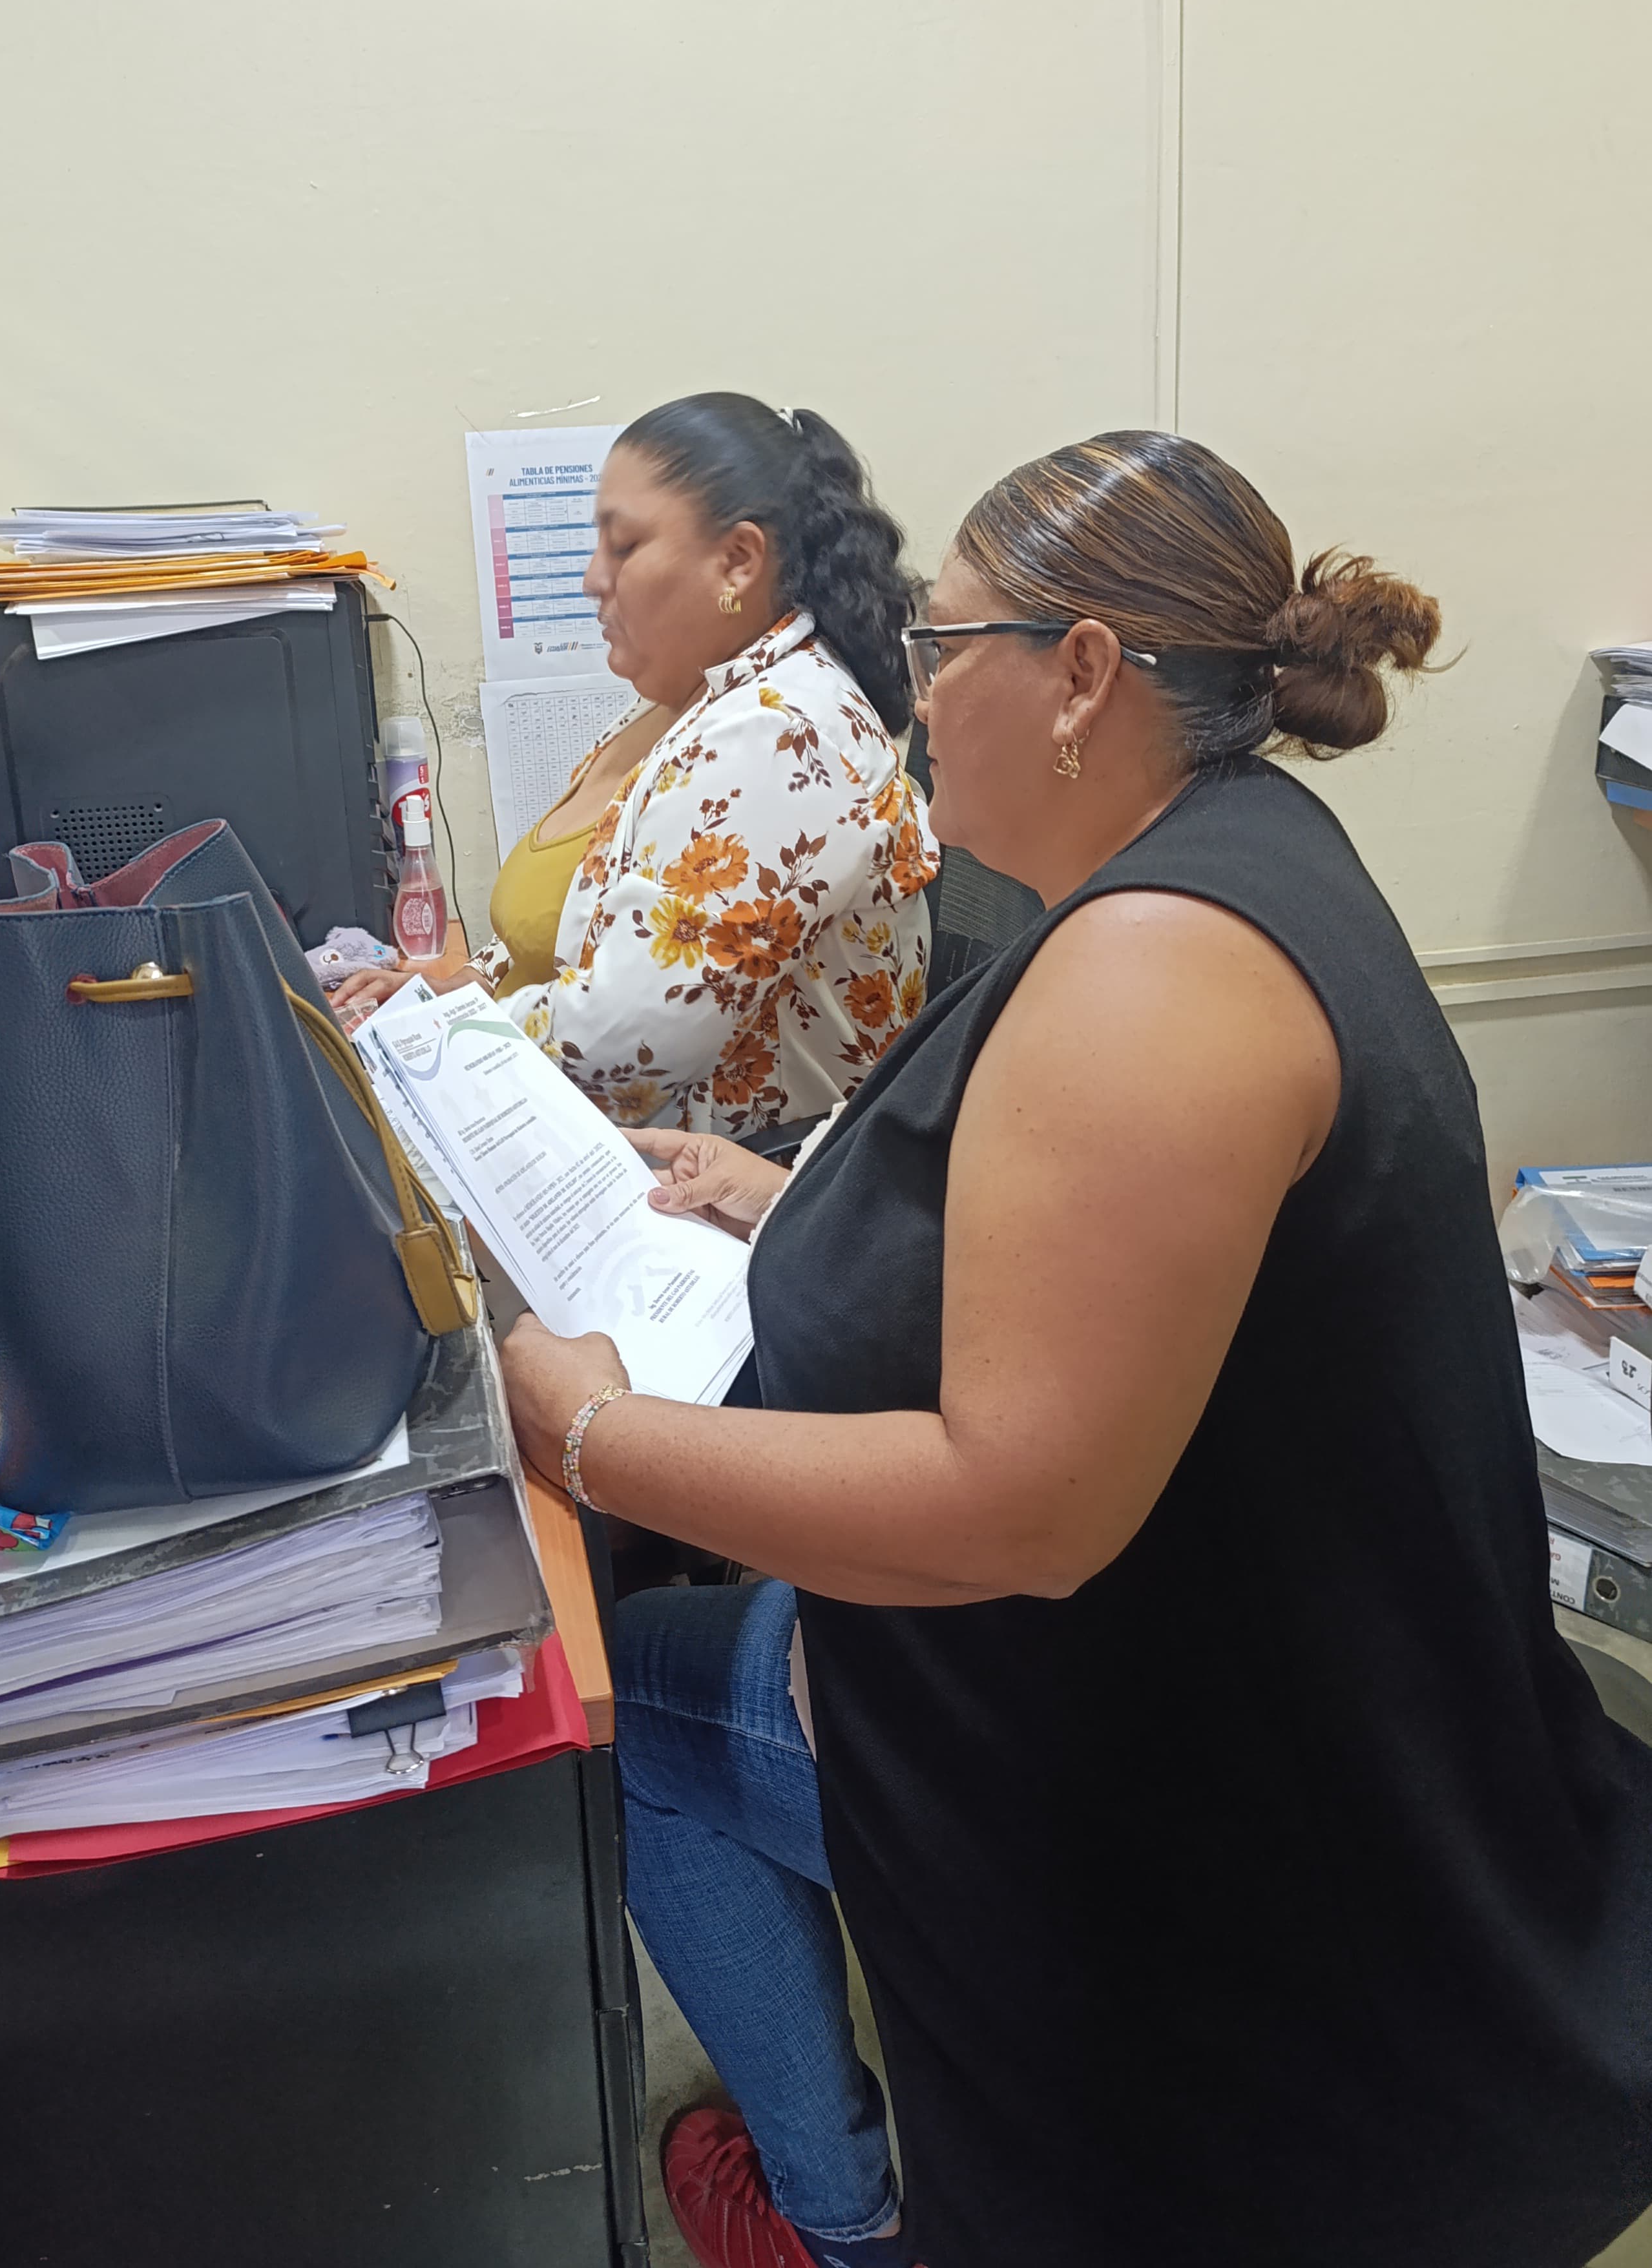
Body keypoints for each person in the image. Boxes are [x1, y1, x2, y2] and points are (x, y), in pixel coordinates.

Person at [500, 431, 1652, 2268]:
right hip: (1245, 1692)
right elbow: (1069, 1242)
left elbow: (1016, 1505)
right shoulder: (1221, 863)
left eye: (943, 647)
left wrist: (591, 1431)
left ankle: (836, 2217)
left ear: (1084, 673)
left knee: (615, 1715)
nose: (912, 694)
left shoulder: (1150, 968)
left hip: (1199, 1809)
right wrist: (785, 1199)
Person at [335, 392, 936, 1134]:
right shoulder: (687, 703)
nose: (593, 577)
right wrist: (450, 988)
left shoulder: (783, 734)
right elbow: (568, 935)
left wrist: (424, 1042)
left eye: (624, 546)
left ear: (738, 562)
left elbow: (620, 1057)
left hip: (719, 1182)